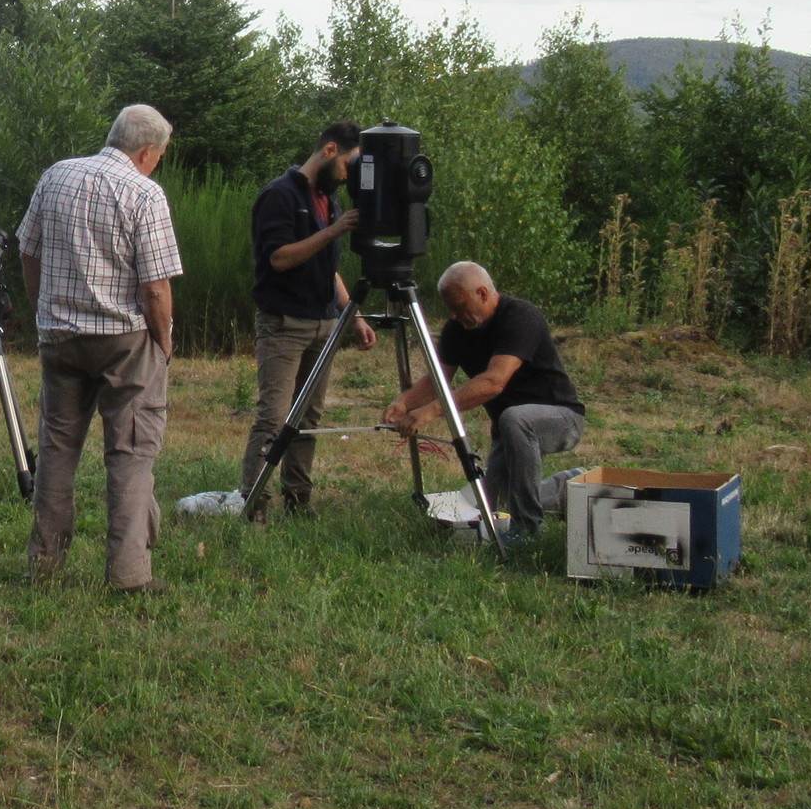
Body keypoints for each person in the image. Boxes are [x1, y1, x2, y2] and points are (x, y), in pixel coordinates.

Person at [16, 105, 184, 594]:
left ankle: (45, 565)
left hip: (60, 337)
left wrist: (42, 309)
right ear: (147, 151)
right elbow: (155, 289)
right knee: (130, 453)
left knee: (57, 448)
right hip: (123, 342)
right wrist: (164, 341)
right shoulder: (144, 193)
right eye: (160, 156)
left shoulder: (57, 175)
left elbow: (28, 250)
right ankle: (129, 576)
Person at [383, 261, 586, 544]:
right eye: (450, 308)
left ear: (482, 293)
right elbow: (436, 379)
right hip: (509, 428)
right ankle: (563, 491)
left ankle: (527, 530)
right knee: (491, 504)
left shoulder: (521, 317)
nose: (454, 315)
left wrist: (432, 410)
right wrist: (403, 403)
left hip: (561, 418)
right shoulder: (457, 328)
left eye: (459, 306)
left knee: (515, 418)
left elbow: (494, 382)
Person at [240, 121, 377, 515]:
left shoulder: (329, 199)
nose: (349, 175)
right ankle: (255, 501)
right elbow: (279, 258)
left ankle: (298, 499)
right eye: (349, 164)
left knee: (308, 417)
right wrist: (333, 231)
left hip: (324, 323)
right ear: (330, 150)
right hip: (284, 323)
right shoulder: (279, 195)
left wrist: (353, 315)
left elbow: (329, 267)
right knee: (274, 417)